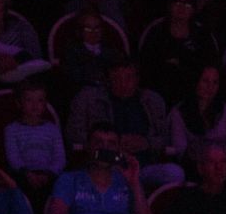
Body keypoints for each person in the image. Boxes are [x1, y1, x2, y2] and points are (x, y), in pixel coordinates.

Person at [69, 57, 179, 188]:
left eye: (128, 78)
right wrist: (112, 145)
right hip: (106, 164)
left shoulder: (153, 101)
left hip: (143, 167)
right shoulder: (89, 99)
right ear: (108, 80)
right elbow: (73, 135)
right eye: (117, 78)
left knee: (175, 173)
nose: (123, 84)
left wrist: (147, 143)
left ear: (137, 80)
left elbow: (165, 138)